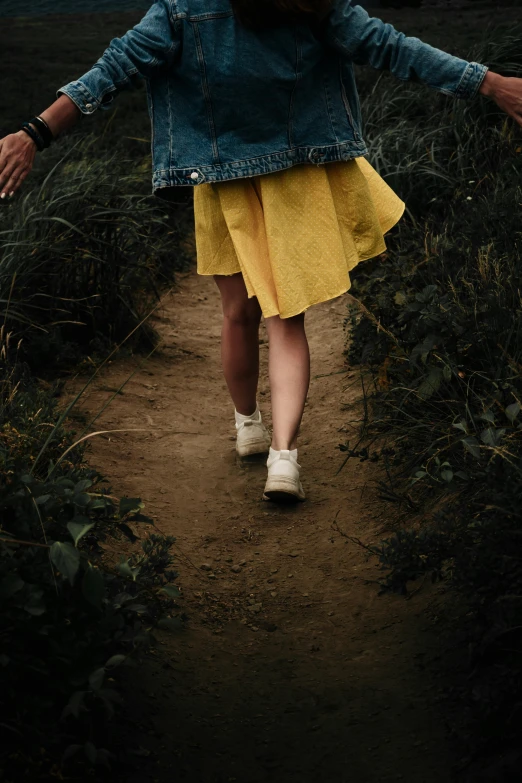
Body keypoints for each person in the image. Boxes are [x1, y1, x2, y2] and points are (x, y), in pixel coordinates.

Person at [1, 0, 521, 504]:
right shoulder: (309, 3)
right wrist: (491, 83)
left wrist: (34, 133)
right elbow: (392, 47)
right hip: (296, 176)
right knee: (286, 318)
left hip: (220, 178)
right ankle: (284, 458)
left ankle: (248, 425)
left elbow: (114, 69)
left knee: (236, 314)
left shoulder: (182, 7)